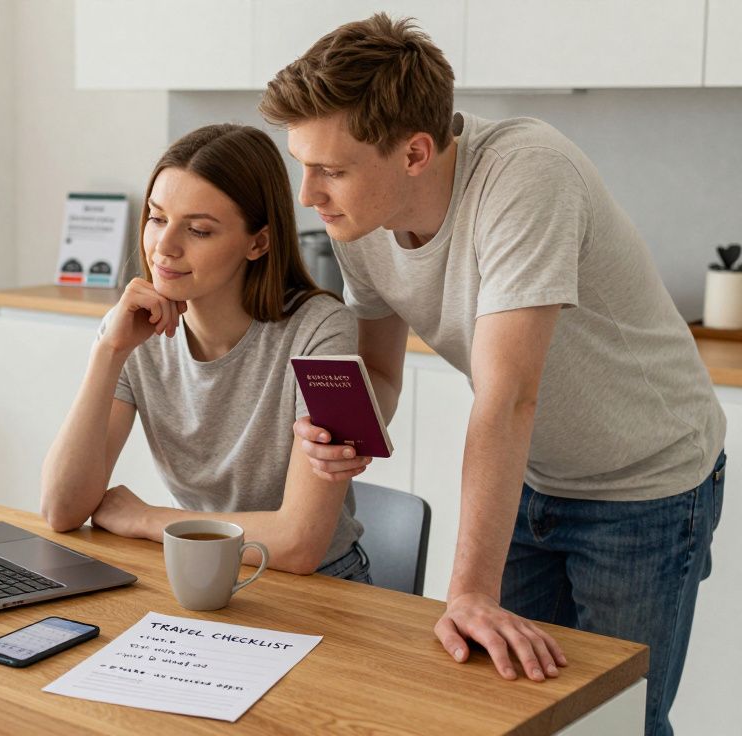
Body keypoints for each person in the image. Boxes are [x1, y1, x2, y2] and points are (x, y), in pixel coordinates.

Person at [260, 13, 725, 735]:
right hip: (532, 479)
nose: (307, 194)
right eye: (303, 164)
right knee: (508, 710)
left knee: (617, 721)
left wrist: (468, 589)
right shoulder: (364, 220)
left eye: (330, 169)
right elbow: (381, 370)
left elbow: (508, 397)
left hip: (645, 486)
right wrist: (349, 431)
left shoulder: (526, 174)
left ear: (414, 152)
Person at [40, 123, 369, 581]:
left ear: (259, 242)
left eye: (198, 230)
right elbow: (61, 509)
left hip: (319, 585)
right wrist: (108, 351)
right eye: (157, 218)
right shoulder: (133, 330)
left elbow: (298, 544)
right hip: (201, 570)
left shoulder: (321, 331)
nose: (164, 248)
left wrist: (145, 519)